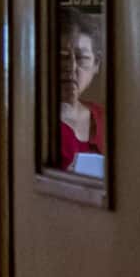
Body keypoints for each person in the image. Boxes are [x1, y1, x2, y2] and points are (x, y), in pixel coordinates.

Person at [58, 11, 106, 170]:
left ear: (96, 64)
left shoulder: (106, 120)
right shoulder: (30, 122)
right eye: (62, 57)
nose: (70, 67)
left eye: (81, 58)